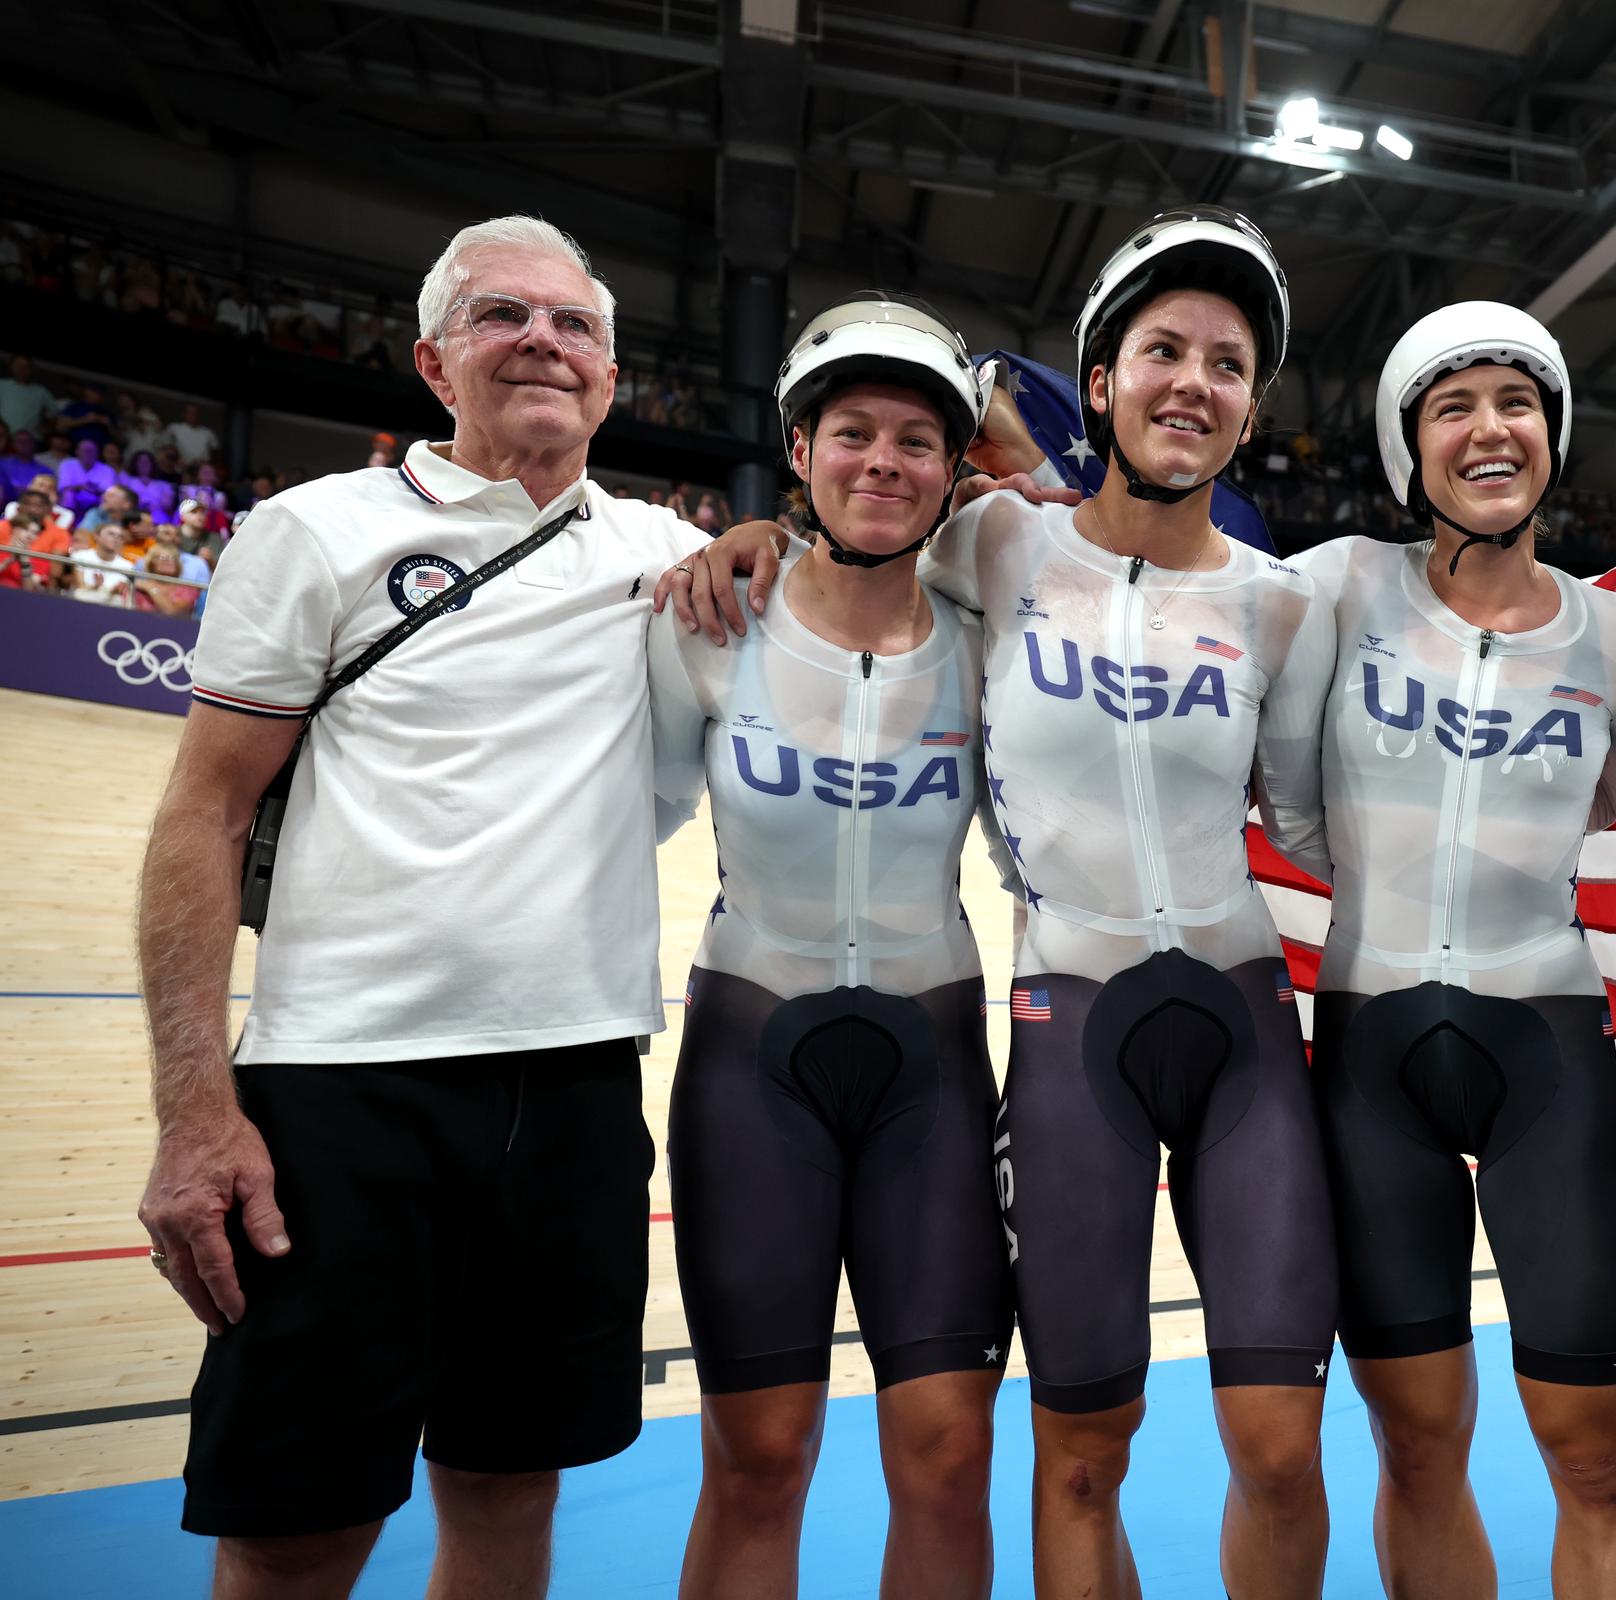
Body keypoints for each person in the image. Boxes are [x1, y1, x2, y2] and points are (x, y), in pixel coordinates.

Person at [672, 205, 1342, 1600]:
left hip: (1240, 1016)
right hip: (1060, 1023)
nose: (1193, 381)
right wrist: (751, 528)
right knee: (1077, 1449)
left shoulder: (1284, 607)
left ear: (1251, 407)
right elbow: (872, 502)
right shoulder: (996, 554)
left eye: (1227, 361)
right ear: (1099, 380)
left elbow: (1311, 821)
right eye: (1162, 349)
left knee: (1280, 1445)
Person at [134, 213, 709, 1599]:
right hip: (342, 1097)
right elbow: (200, 819)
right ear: (431, 359)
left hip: (572, 1092)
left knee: (510, 1500)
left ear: (612, 382)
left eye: (576, 325)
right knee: (297, 1531)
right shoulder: (316, 531)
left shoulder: (659, 553)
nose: (544, 341)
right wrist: (195, 1115)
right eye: (504, 314)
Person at [1285, 301, 1616, 1599]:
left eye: (1516, 401)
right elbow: (1292, 807)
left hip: (1547, 1059)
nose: (1488, 427)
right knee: (1416, 1445)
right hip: (1373, 1060)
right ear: (1408, 445)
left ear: (1555, 434)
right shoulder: (1338, 584)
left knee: (1598, 1457)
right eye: (1452, 405)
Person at [649, 293, 1016, 1599]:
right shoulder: (707, 626)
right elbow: (614, 826)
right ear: (797, 453)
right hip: (754, 1063)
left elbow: (1108, 536)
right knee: (760, 1454)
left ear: (955, 474)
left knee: (950, 1450)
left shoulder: (996, 646)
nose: (882, 462)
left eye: (919, 441)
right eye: (851, 432)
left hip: (933, 1067)